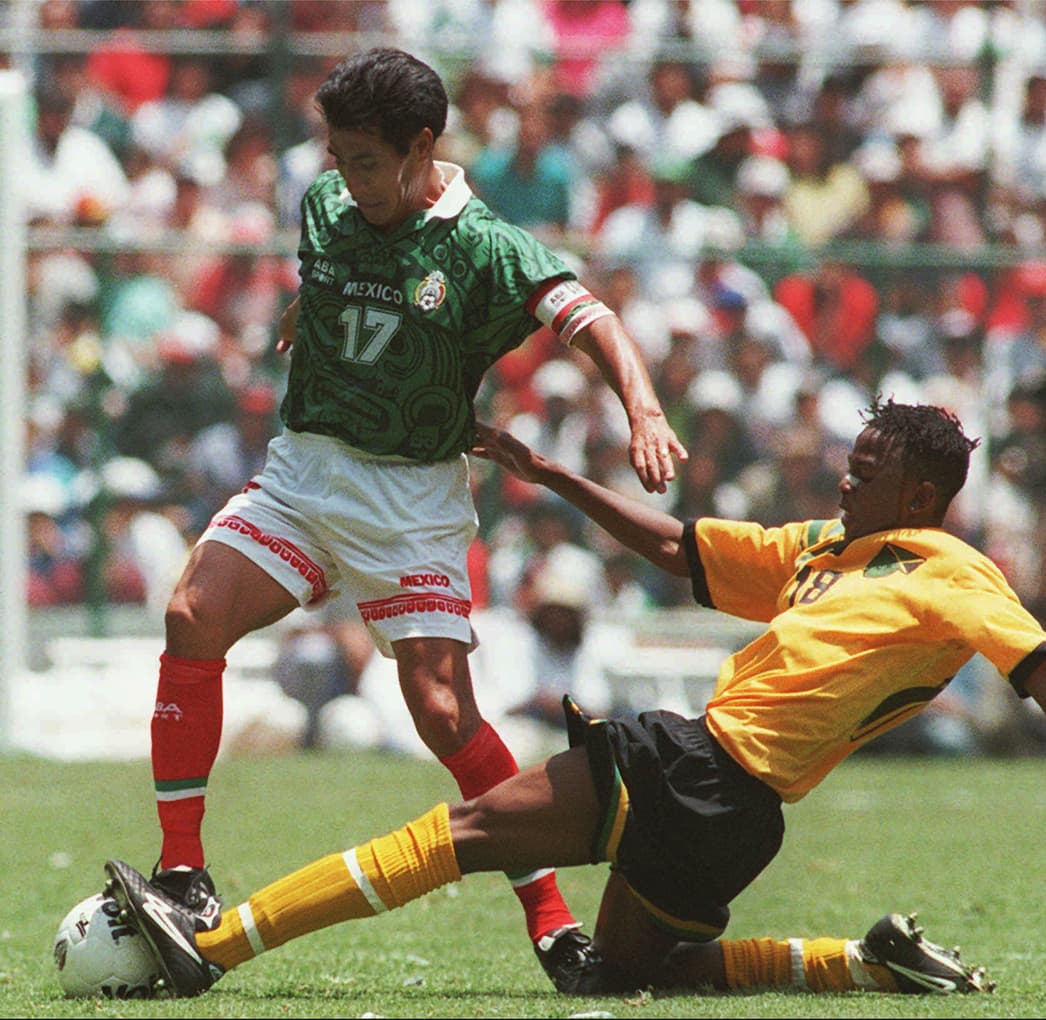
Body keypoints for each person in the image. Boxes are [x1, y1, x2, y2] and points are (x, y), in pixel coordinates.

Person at [107, 398, 1046, 1000]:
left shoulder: (956, 577)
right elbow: (685, 552)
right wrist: (553, 475)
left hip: (706, 775)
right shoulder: (825, 550)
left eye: (865, 465)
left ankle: (215, 944)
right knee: (626, 974)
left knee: (466, 838)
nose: (844, 473)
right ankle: (863, 965)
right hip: (723, 799)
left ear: (918, 485)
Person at [139, 47, 686, 989]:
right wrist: (309, 312)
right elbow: (335, 273)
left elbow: (587, 315)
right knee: (192, 612)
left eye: (363, 160)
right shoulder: (326, 204)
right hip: (307, 477)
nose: (346, 179)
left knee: (441, 715)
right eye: (337, 157)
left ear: (420, 146)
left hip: (411, 505)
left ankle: (552, 922)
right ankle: (183, 872)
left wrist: (642, 407)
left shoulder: (483, 245)